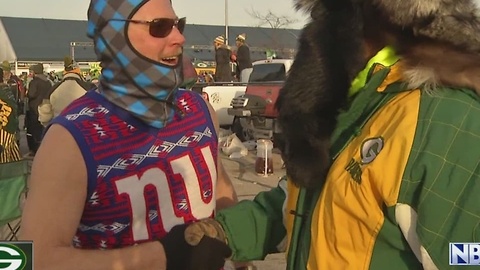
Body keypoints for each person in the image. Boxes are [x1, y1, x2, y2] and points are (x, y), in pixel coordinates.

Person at [173, 0, 480, 269]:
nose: (315, 35)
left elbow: (465, 253)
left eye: (332, 14)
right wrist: (224, 232)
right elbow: (301, 201)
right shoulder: (355, 106)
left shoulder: (443, 118)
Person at [20, 0, 242, 269]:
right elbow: (29, 259)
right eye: (160, 27)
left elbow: (219, 192)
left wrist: (238, 251)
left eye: (177, 24)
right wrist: (161, 257)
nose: (179, 37)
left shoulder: (199, 110)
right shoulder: (70, 139)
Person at [38, 56, 93, 126]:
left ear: (65, 71)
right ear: (78, 71)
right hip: (82, 128)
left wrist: (48, 126)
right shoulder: (88, 88)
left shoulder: (54, 88)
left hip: (59, 127)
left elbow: (45, 114)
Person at [25, 63, 52, 156]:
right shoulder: (48, 82)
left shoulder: (34, 82)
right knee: (43, 129)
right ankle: (44, 148)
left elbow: (31, 95)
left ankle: (34, 150)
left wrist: (27, 92)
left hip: (34, 108)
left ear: (35, 72)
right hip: (45, 108)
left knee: (33, 130)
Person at [0, 68, 21, 163]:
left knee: (3, 156)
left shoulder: (3, 92)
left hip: (4, 128)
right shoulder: (6, 89)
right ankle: (19, 173)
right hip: (11, 126)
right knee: (13, 154)